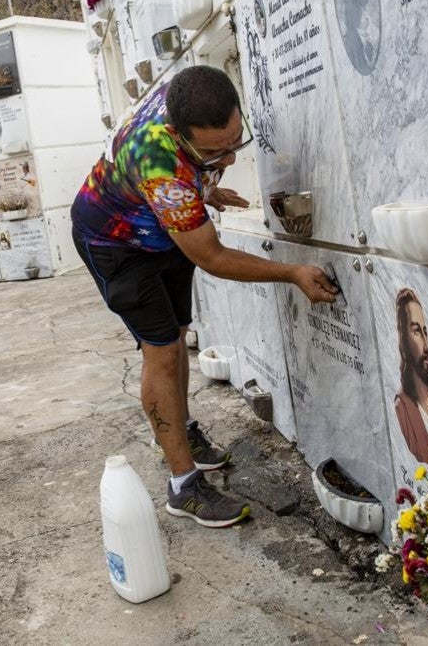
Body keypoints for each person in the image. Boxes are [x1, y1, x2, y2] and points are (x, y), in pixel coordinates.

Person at [70, 65, 338, 528]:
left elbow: (187, 180)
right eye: (214, 151)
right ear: (177, 133)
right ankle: (183, 486)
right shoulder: (160, 166)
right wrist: (292, 271)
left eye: (235, 141)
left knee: (177, 332)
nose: (229, 157)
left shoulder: (190, 95)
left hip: (159, 232)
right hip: (115, 244)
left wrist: (204, 190)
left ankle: (180, 433)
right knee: (163, 350)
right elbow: (211, 256)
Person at [392, 288, 428, 464]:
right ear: (403, 339)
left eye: (426, 331)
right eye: (416, 331)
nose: (426, 346)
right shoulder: (403, 407)